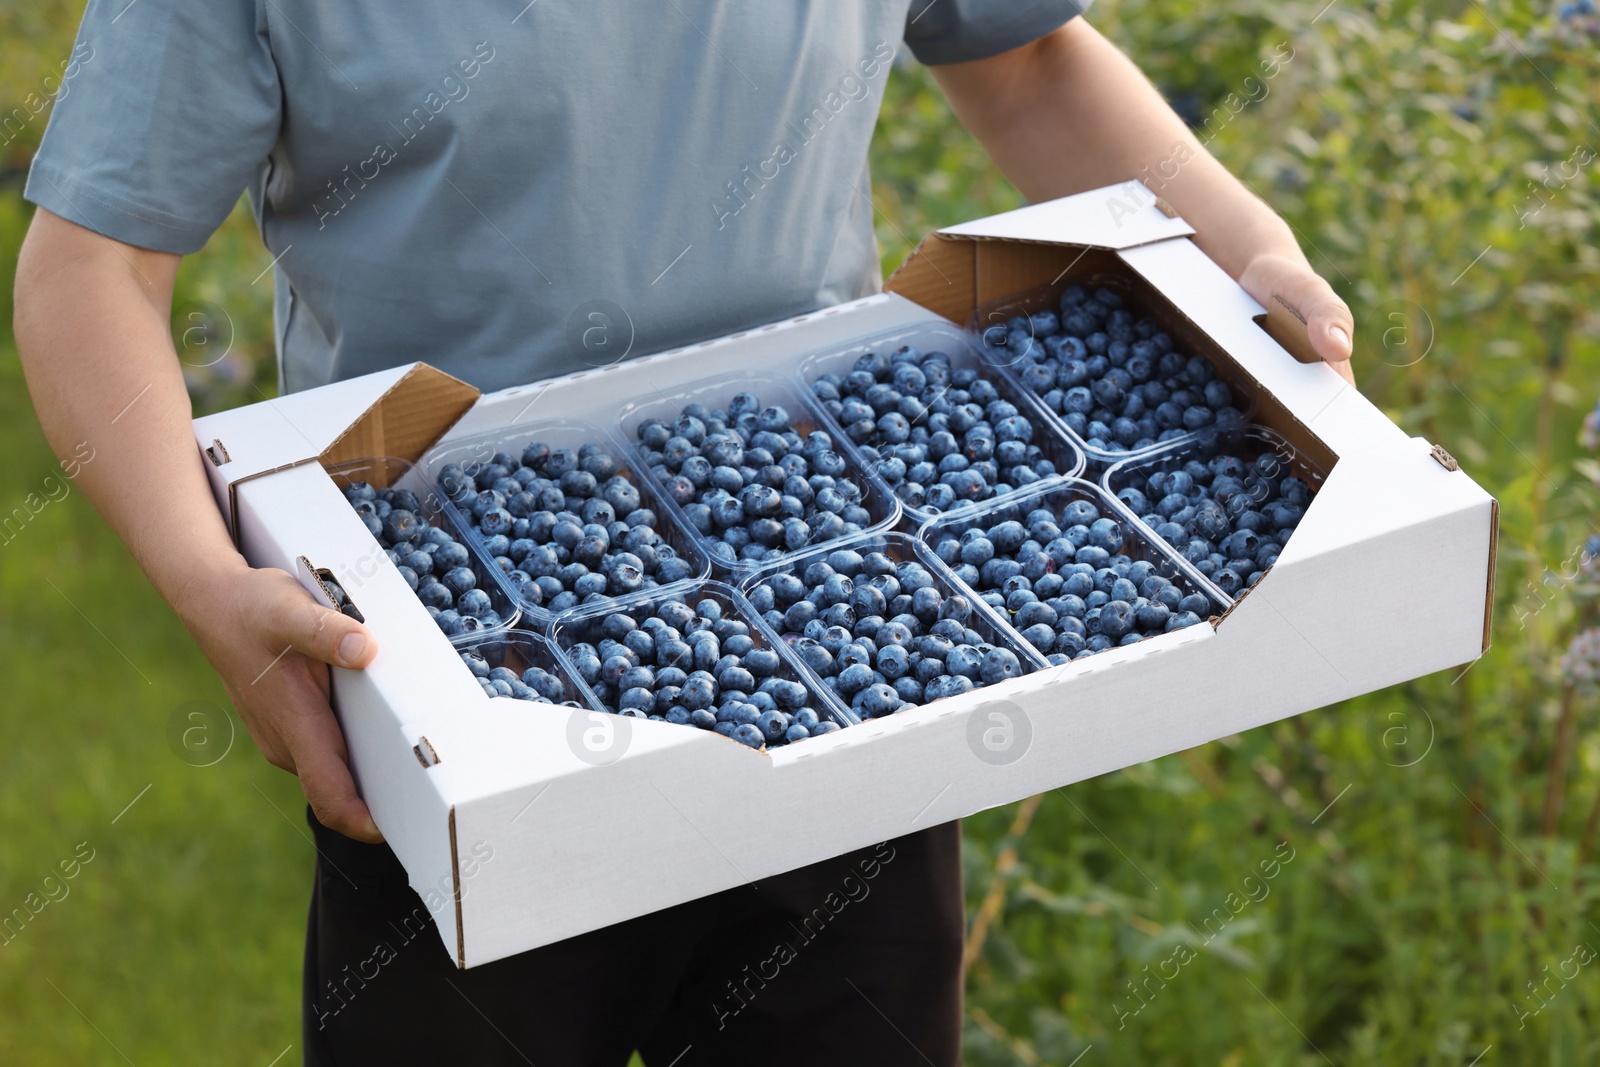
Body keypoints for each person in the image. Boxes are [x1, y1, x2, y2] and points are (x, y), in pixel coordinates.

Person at [13, 1, 1355, 1063]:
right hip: (443, 683)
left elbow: (1028, 63)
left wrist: (1242, 245)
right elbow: (96, 266)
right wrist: (203, 581)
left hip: (855, 627)